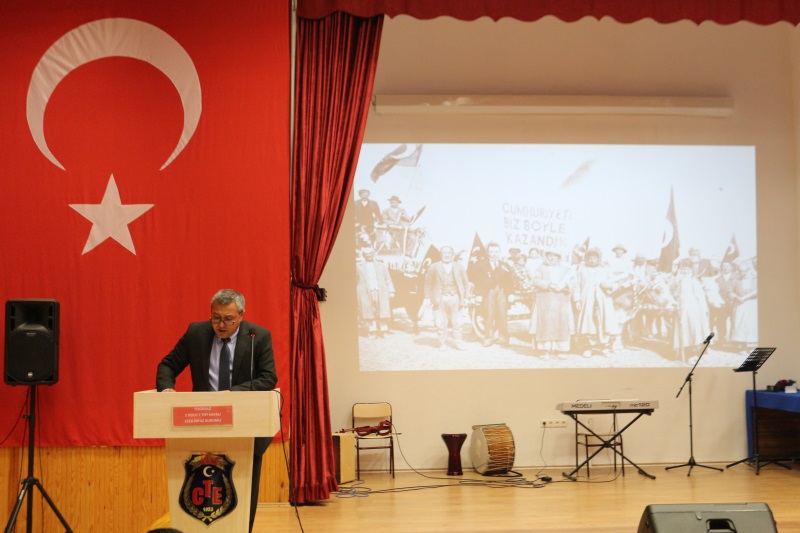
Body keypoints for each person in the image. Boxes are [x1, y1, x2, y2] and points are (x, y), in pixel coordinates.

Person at [156, 289, 278, 533]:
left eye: (228, 319)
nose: (221, 325)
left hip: (245, 426)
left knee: (242, 492)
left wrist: (232, 393)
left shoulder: (258, 336)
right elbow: (168, 364)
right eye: (216, 318)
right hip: (202, 424)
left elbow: (268, 378)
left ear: (241, 315)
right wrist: (167, 389)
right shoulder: (196, 333)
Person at [573, 247, 620, 355]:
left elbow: (614, 283)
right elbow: (576, 286)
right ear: (586, 259)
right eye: (590, 258)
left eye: (595, 258)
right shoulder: (581, 270)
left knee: (604, 322)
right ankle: (588, 347)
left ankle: (605, 347)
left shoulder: (605, 270)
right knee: (588, 322)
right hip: (587, 300)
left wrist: (609, 286)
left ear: (598, 259)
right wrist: (577, 300)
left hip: (603, 301)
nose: (592, 260)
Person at [424, 245, 471, 350]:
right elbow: (428, 283)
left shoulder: (459, 267)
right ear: (440, 254)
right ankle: (442, 343)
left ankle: (458, 342)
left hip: (456, 297)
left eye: (449, 253)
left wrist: (466, 297)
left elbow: (466, 283)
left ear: (452, 255)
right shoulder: (433, 267)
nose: (447, 255)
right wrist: (427, 298)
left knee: (457, 321)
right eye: (444, 253)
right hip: (440, 298)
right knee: (441, 322)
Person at [529, 249, 574, 354]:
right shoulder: (541, 267)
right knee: (545, 323)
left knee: (561, 323)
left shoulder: (565, 268)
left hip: (561, 300)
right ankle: (545, 350)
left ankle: (561, 350)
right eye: (550, 255)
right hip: (545, 299)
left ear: (559, 257)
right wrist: (549, 285)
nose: (553, 258)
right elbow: (535, 280)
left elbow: (572, 280)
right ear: (547, 256)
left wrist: (564, 286)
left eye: (555, 255)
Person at [473, 242, 514, 346]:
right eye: (491, 252)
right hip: (488, 292)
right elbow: (477, 281)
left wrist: (510, 294)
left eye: (496, 251)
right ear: (488, 252)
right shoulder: (480, 264)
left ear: (499, 252)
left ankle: (503, 338)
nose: (494, 254)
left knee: (503, 315)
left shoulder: (504, 265)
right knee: (489, 315)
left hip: (502, 292)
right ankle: (488, 338)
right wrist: (479, 294)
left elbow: (510, 281)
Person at [355, 247, 395, 337]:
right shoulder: (358, 266)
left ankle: (384, 330)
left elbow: (388, 279)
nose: (368, 255)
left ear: (373, 254)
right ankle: (372, 330)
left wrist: (391, 291)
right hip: (365, 291)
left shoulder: (381, 265)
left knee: (383, 310)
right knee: (368, 311)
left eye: (370, 253)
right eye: (366, 254)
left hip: (381, 291)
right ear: (363, 255)